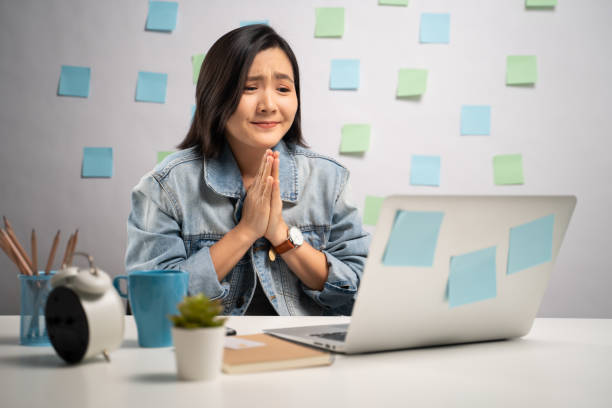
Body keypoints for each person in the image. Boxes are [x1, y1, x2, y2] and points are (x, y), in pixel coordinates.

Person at [125, 25, 370, 316]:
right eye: (249, 88)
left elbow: (360, 294)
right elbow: (153, 305)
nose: (268, 105)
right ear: (215, 96)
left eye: (283, 89)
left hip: (309, 358)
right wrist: (246, 231)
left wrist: (281, 234)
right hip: (210, 354)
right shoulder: (166, 187)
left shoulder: (330, 179)